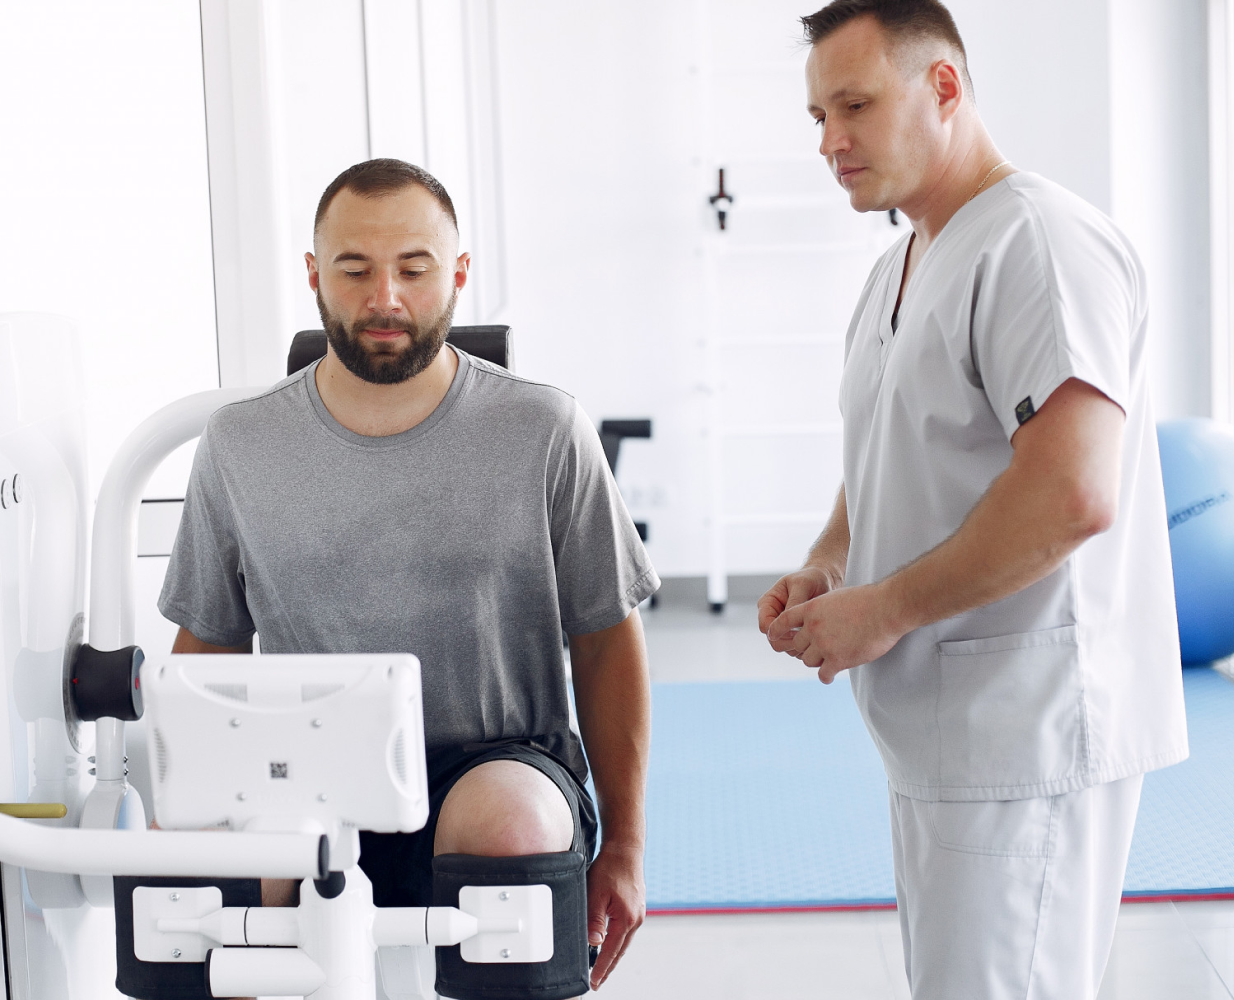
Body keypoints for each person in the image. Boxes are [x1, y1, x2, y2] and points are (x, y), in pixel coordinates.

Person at [758, 2, 1189, 996]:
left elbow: (1071, 492)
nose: (829, 141)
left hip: (1025, 729)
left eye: (854, 106)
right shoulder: (899, 266)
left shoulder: (1037, 244)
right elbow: (890, 447)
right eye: (817, 116)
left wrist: (882, 608)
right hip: (942, 733)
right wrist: (830, 562)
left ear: (943, 86)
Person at [159, 158, 656, 996]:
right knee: (205, 870)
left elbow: (607, 640)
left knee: (508, 822)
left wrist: (628, 848)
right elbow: (206, 648)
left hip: (499, 759)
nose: (384, 298)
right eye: (354, 269)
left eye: (414, 270)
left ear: (457, 275)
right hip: (307, 766)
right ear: (315, 276)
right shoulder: (240, 444)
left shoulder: (543, 428)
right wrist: (181, 827)